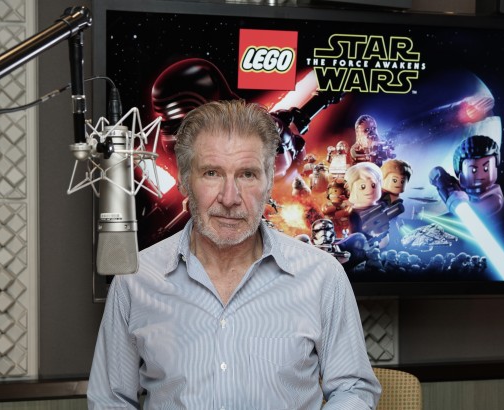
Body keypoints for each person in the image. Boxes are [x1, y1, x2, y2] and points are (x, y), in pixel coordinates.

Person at [87, 99, 381, 409]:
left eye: (247, 175)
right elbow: (110, 401)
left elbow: (354, 389)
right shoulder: (135, 278)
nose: (230, 198)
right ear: (185, 181)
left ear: (269, 182)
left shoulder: (322, 275)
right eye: (212, 173)